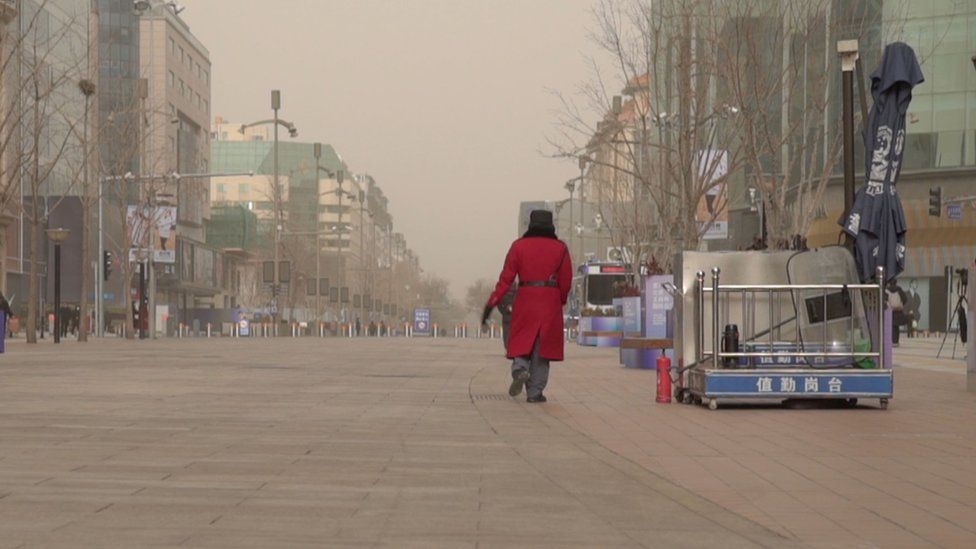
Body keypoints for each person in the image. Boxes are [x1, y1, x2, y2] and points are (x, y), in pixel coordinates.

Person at [483, 210, 572, 403]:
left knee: (522, 340)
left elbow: (505, 280)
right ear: (551, 225)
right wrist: (560, 300)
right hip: (549, 299)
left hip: (525, 298)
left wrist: (491, 304)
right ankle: (534, 393)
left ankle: (520, 369)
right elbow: (566, 281)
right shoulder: (560, 248)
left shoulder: (518, 246)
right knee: (542, 349)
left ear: (530, 225)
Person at [886, 279, 909, 346]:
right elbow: (905, 299)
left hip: (890, 311)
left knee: (892, 326)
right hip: (898, 311)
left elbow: (884, 299)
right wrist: (900, 304)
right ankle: (896, 341)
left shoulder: (887, 290)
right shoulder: (899, 289)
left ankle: (892, 341)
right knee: (896, 327)